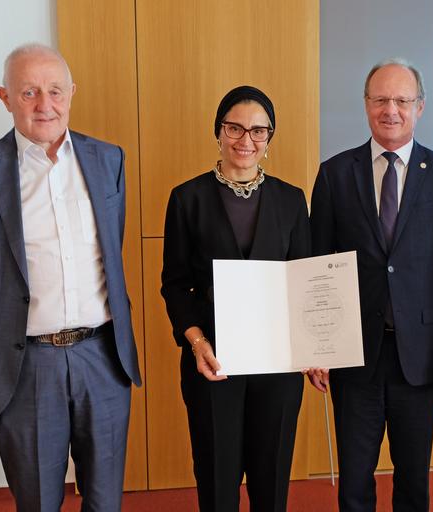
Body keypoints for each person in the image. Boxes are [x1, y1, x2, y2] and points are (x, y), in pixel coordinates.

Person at [0, 44, 141, 511]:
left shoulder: (108, 159)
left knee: (105, 502)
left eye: (55, 90)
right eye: (29, 92)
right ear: (5, 97)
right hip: (27, 366)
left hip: (103, 358)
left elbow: (111, 252)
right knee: (37, 503)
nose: (44, 104)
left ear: (71, 93)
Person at [309, 58, 433, 511]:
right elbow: (316, 266)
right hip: (353, 355)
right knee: (354, 481)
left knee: (413, 478)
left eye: (402, 100)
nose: (391, 110)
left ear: (419, 106)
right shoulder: (334, 174)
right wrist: (317, 347)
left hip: (423, 356)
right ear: (366, 105)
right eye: (381, 99)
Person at [161, 86, 312, 512]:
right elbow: (174, 284)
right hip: (213, 361)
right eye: (235, 128)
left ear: (269, 138)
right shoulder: (187, 198)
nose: (246, 140)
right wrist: (196, 343)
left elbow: (305, 283)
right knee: (217, 478)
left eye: (258, 131)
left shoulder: (291, 199)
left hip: (279, 364)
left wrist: (315, 344)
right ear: (218, 131)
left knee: (272, 478)